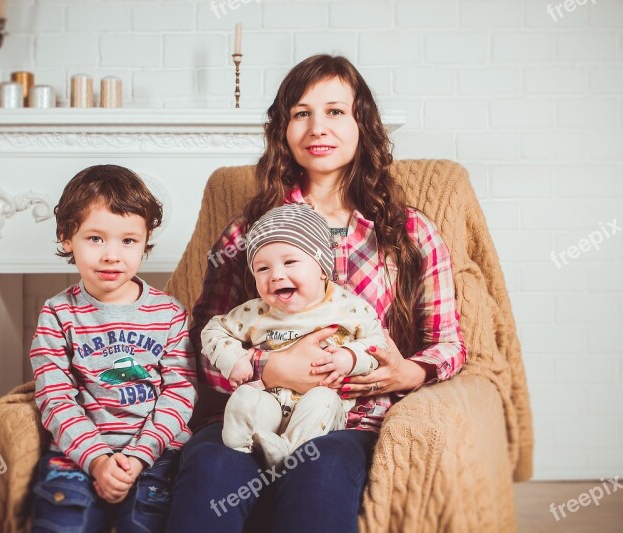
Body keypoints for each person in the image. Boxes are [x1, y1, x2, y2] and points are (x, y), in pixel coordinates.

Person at [166, 54, 466, 533]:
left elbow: (448, 343)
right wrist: (268, 368)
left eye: (335, 111)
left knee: (320, 470)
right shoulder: (244, 235)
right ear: (283, 129)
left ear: (362, 124)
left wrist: (404, 372)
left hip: (347, 420)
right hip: (251, 410)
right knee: (211, 468)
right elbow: (203, 340)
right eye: (301, 113)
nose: (317, 128)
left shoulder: (410, 233)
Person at [29, 165, 197, 532]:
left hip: (156, 455)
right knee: (62, 523)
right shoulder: (57, 313)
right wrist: (96, 459)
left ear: (146, 239)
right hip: (77, 453)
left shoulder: (169, 314)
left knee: (143, 522)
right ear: (65, 237)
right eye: (95, 238)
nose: (111, 255)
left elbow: (180, 394)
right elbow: (55, 397)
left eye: (128, 240)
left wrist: (137, 456)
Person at [201, 203, 384, 467]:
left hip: (319, 405)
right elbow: (213, 329)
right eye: (262, 269)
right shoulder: (256, 312)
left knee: (322, 400)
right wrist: (236, 359)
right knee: (246, 399)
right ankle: (242, 444)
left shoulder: (349, 308)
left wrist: (351, 356)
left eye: (290, 262)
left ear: (322, 269)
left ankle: (288, 448)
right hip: (270, 398)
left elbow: (378, 343)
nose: (276, 275)